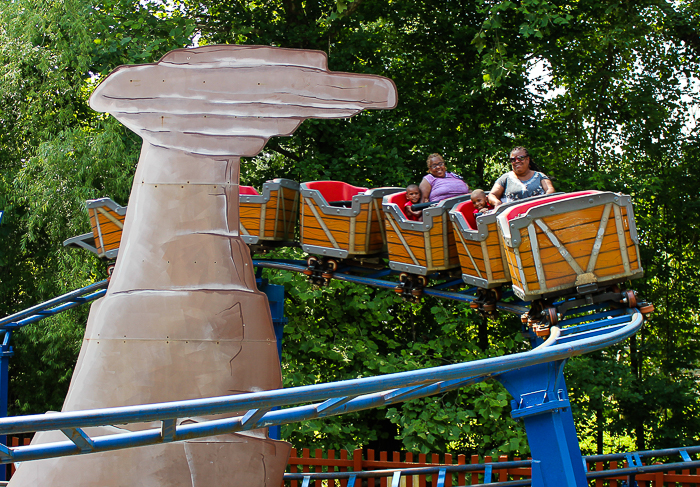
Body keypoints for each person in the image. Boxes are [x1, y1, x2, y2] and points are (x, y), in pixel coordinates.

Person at [488, 147, 555, 207]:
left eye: (520, 158)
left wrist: (543, 201)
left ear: (528, 159)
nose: (517, 161)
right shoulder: (505, 178)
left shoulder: (540, 176)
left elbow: (550, 190)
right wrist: (498, 203)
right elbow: (492, 195)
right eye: (513, 160)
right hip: (512, 217)